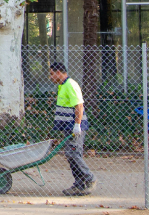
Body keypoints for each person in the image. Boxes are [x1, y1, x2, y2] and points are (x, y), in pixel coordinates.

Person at [49, 62, 95, 196]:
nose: (50, 77)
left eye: (52, 74)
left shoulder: (70, 85)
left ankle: (89, 178)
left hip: (75, 127)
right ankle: (79, 185)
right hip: (68, 127)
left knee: (74, 154)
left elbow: (79, 106)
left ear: (58, 72)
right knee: (70, 155)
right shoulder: (62, 86)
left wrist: (77, 125)